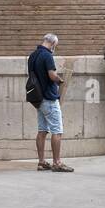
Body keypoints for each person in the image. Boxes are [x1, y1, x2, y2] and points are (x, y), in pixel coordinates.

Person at [28, 32, 74, 171]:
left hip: (38, 99)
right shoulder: (47, 55)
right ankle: (57, 163)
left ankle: (41, 162)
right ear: (53, 43)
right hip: (49, 98)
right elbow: (52, 75)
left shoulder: (33, 55)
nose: (55, 48)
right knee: (57, 131)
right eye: (56, 45)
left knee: (42, 130)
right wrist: (60, 80)